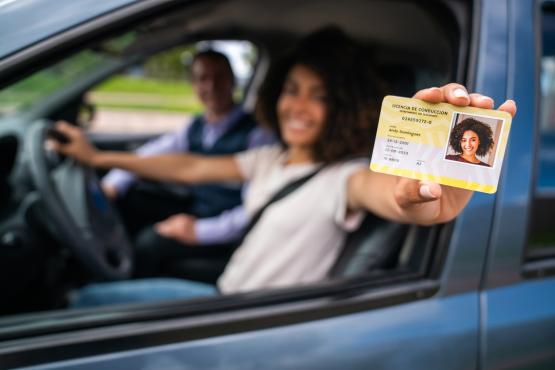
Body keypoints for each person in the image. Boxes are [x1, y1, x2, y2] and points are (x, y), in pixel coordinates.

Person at [52, 28, 517, 306]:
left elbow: (383, 193)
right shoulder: (272, 159)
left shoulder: (344, 177)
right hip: (221, 295)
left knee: (80, 302)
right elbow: (191, 167)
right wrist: (99, 158)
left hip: (236, 319)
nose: (298, 106)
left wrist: (418, 202)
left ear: (341, 108)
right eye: (293, 89)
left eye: (319, 97)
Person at [101, 49, 274, 277]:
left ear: (233, 79)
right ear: (193, 84)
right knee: (132, 199)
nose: (211, 86)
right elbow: (151, 156)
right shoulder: (194, 127)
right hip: (198, 207)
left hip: (226, 228)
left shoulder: (258, 137)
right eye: (203, 78)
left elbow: (253, 210)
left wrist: (197, 231)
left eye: (219, 77)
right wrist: (112, 184)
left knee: (148, 244)